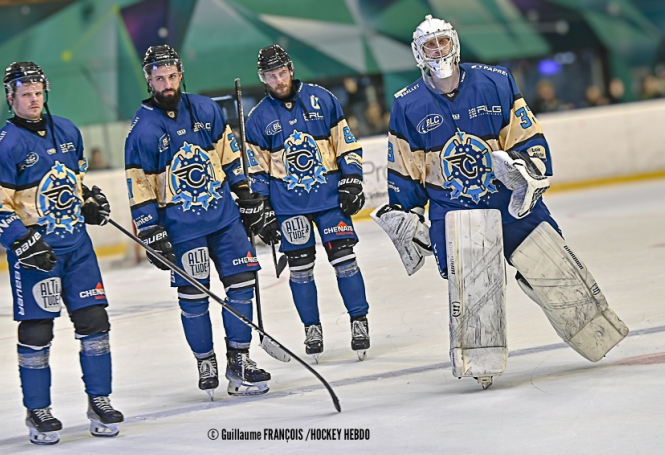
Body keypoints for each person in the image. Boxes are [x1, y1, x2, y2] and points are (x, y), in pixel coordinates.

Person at [377, 15, 627, 387]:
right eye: (430, 45)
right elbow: (403, 168)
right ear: (418, 53)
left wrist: (525, 169)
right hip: (456, 215)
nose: (438, 50)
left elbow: (528, 137)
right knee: (475, 292)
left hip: (511, 203)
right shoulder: (407, 105)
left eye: (443, 42)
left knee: (552, 267)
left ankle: (596, 333)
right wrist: (406, 213)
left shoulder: (495, 81)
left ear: (455, 43)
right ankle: (480, 363)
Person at [0, 62, 123, 445]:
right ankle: (37, 409)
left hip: (78, 249)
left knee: (95, 322)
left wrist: (90, 202)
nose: (34, 98)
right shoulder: (0, 147)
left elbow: (74, 184)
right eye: (25, 94)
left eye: (38, 91)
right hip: (36, 254)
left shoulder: (68, 131)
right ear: (11, 98)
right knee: (38, 331)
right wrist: (21, 241)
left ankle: (100, 400)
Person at [125, 45, 271, 399]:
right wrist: (149, 228)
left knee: (241, 284)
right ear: (149, 80)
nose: (167, 84)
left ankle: (240, 359)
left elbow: (230, 157)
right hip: (182, 230)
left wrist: (245, 194)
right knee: (194, 296)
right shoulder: (141, 130)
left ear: (180, 73)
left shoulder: (206, 108)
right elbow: (139, 185)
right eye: (159, 78)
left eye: (172, 76)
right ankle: (205, 360)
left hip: (224, 219)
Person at [244, 44, 371, 362]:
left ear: (291, 69)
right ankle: (311, 328)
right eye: (271, 76)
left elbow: (346, 145)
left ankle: (359, 321)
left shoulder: (322, 98)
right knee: (300, 271)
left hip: (329, 201)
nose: (278, 80)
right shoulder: (257, 118)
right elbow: (257, 171)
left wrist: (352, 177)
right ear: (263, 78)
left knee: (345, 261)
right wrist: (263, 209)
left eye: (282, 72)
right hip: (288, 207)